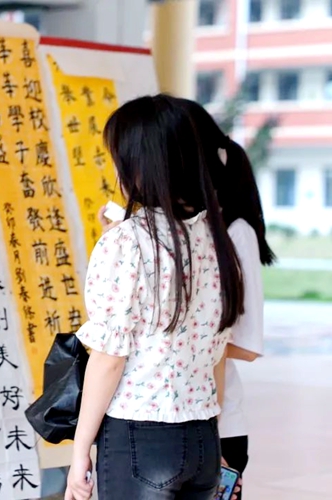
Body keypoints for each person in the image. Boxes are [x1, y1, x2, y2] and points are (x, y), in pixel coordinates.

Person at [65, 94, 245, 500]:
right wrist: (213, 436)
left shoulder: (127, 241)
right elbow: (216, 354)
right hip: (202, 438)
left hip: (139, 438)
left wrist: (80, 451)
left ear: (139, 165)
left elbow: (109, 359)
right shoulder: (216, 241)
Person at [182, 99, 275, 499]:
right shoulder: (186, 228)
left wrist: (182, 345)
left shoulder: (236, 233)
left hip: (219, 427)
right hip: (176, 421)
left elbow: (248, 344)